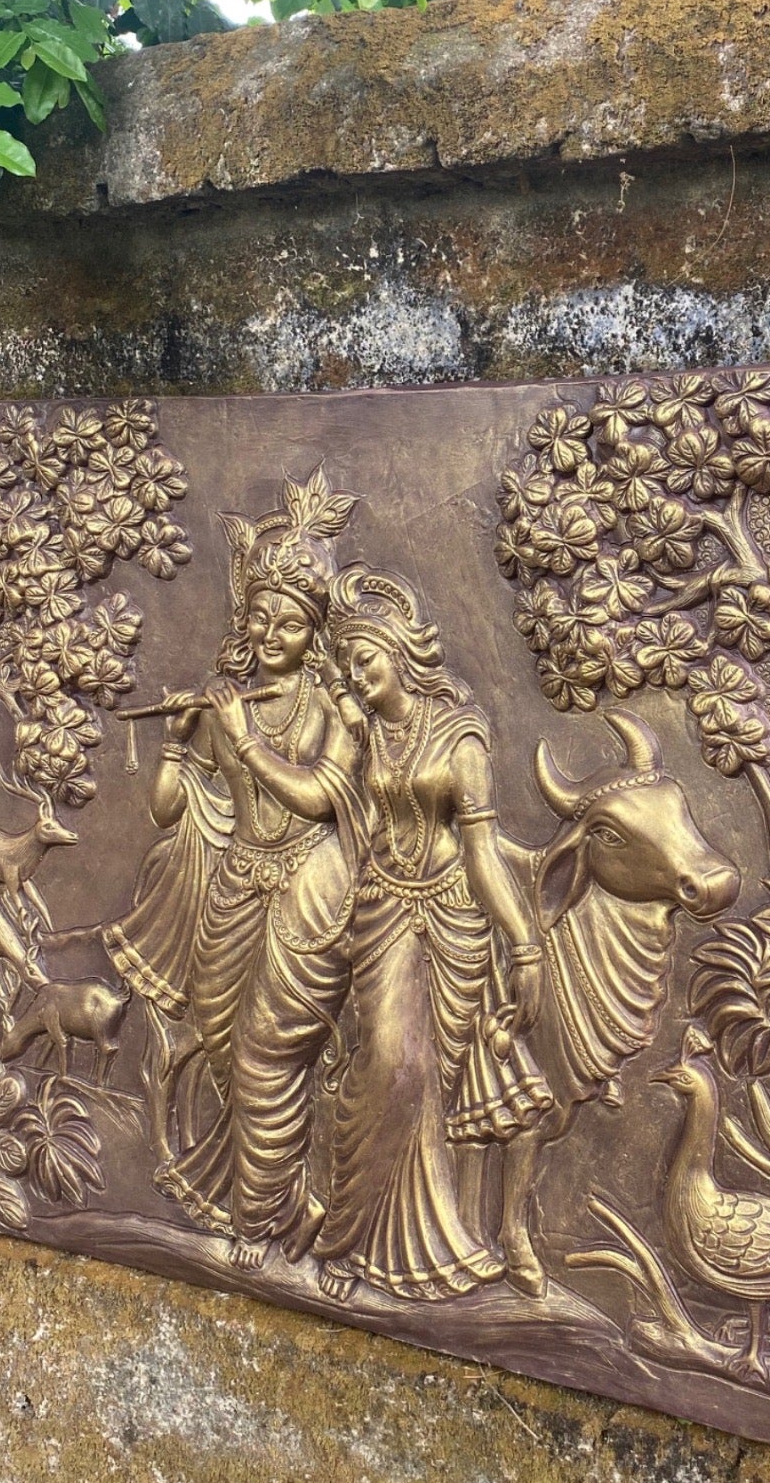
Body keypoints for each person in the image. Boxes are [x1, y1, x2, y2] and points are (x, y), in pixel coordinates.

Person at [106, 470, 367, 1269]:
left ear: (313, 632)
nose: (272, 633)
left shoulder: (334, 709)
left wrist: (246, 741)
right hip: (237, 882)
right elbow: (165, 809)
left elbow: (321, 796)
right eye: (260, 617)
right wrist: (178, 741)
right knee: (220, 1038)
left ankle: (261, 1220)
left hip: (309, 887)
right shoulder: (227, 702)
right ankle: (297, 1193)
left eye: (289, 622)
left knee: (267, 1055)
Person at [304, 566, 552, 1302]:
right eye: (349, 667)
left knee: (437, 1083)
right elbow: (341, 803)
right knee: (389, 1067)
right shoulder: (367, 735)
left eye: (366, 661)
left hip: (452, 916)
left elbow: (482, 853)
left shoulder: (460, 736)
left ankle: (441, 1240)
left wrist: (525, 944)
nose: (358, 676)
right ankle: (347, 1238)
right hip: (384, 910)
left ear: (399, 654)